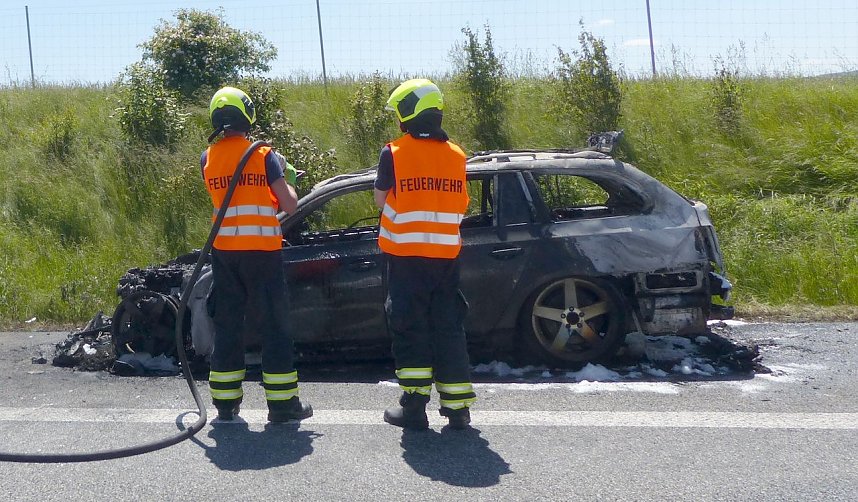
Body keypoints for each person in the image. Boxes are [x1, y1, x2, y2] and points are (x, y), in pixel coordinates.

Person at [202, 86, 312, 423]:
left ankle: (224, 403)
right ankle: (282, 406)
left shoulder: (208, 156)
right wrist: (288, 178)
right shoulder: (264, 155)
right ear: (247, 115)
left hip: (225, 253)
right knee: (274, 328)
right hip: (262, 252)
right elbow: (290, 204)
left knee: (228, 326)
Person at [373, 78, 476, 430]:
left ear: (407, 113)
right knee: (448, 328)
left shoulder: (395, 152)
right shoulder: (458, 155)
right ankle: (458, 408)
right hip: (446, 259)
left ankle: (414, 408)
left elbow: (381, 200)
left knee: (410, 328)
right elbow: (460, 203)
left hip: (405, 258)